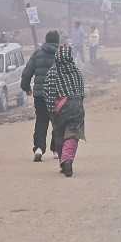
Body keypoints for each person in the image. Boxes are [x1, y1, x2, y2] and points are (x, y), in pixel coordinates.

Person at [44, 45, 85, 177]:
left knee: (60, 135)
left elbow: (49, 93)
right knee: (73, 134)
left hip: (61, 107)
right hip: (77, 104)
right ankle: (67, 159)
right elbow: (81, 91)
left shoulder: (52, 72)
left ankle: (63, 161)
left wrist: (51, 111)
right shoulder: (76, 71)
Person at [21, 30, 60, 162]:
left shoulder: (37, 54)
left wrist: (26, 87)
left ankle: (38, 148)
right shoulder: (61, 55)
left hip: (40, 94)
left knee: (41, 121)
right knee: (57, 121)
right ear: (57, 41)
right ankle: (56, 149)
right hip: (57, 94)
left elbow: (27, 73)